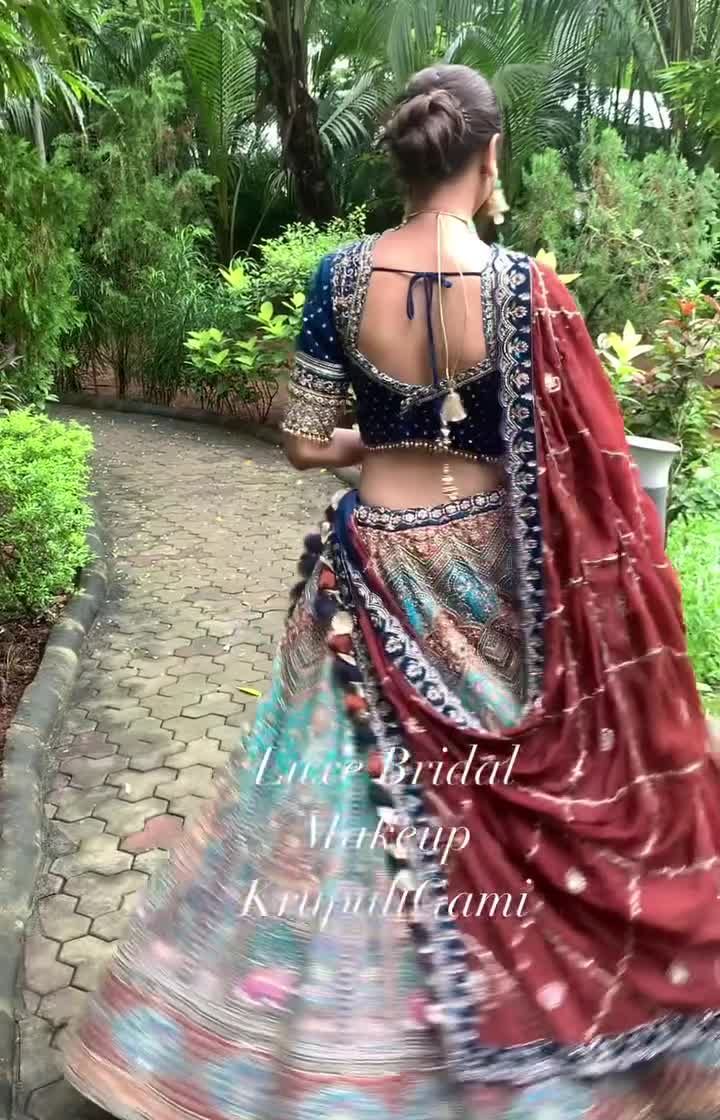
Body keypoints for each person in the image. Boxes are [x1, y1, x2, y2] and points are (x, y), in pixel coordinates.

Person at [65, 64, 720, 1120]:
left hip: (370, 570)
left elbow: (298, 441)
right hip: (491, 579)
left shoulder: (339, 279)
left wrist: (372, 440)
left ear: (405, 163)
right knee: (497, 802)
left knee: (323, 805)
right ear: (489, 155)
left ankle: (279, 1053)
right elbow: (573, 457)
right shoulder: (528, 292)